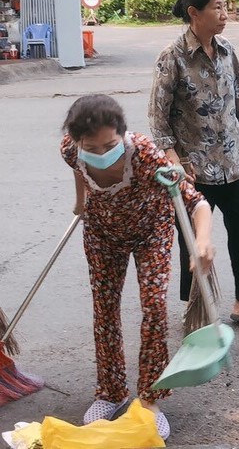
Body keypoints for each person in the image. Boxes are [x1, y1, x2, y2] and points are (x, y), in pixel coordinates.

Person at [62, 94, 215, 440]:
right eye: (92, 147)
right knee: (104, 312)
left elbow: (196, 202)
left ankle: (150, 399)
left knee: (154, 309)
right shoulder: (71, 150)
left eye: (109, 145)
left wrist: (202, 241)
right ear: (77, 141)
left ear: (123, 134)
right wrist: (81, 201)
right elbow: (77, 168)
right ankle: (111, 392)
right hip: (103, 233)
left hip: (151, 233)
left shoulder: (144, 154)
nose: (101, 153)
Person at [149, 0, 239, 329]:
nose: (224, 14)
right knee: (193, 243)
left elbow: (238, 101)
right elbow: (157, 116)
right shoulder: (172, 57)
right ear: (194, 13)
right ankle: (199, 309)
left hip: (233, 162)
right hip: (192, 169)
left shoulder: (226, 49)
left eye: (225, 6)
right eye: (217, 8)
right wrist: (173, 160)